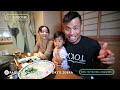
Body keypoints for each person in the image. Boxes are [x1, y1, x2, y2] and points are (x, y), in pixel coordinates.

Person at [62, 11, 115, 79]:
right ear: (64, 29)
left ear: (81, 26)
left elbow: (99, 69)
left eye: (75, 28)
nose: (72, 33)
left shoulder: (93, 44)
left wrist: (105, 62)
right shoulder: (63, 44)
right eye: (67, 29)